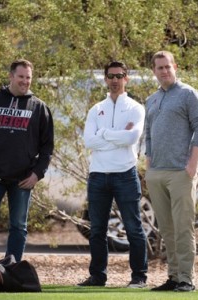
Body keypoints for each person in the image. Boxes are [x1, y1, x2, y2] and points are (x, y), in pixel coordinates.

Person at [0, 59, 54, 262]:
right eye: (21, 76)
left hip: (23, 179)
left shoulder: (39, 108)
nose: (25, 81)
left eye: (28, 77)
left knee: (18, 226)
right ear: (11, 76)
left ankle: (11, 271)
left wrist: (36, 174)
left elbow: (47, 146)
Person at [78, 61, 148, 288]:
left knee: (133, 228)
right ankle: (98, 277)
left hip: (125, 175)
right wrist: (115, 136)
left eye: (120, 76)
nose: (115, 80)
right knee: (97, 229)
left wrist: (104, 134)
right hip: (98, 176)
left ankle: (139, 278)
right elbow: (89, 141)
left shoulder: (136, 108)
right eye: (111, 76)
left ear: (126, 78)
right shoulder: (96, 108)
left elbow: (131, 139)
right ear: (105, 79)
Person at [145, 51, 198, 292]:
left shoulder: (189, 94)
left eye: (167, 67)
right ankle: (173, 277)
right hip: (156, 173)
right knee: (167, 230)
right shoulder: (151, 99)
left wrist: (192, 165)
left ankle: (186, 280)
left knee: (183, 227)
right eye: (159, 67)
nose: (164, 71)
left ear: (175, 67)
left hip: (181, 172)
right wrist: (149, 166)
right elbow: (148, 134)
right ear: (154, 71)